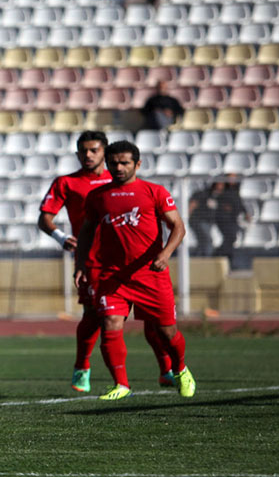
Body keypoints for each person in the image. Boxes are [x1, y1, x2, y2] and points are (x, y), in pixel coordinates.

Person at [38, 131, 173, 394]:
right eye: (83, 151)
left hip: (134, 261)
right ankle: (83, 367)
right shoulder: (66, 182)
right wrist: (62, 237)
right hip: (96, 262)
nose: (88, 155)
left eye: (94, 150)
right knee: (94, 316)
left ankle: (166, 369)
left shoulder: (122, 181)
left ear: (105, 152)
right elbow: (44, 219)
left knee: (154, 322)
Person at [75, 141, 196, 401]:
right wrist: (82, 264)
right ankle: (121, 384)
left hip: (150, 274)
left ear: (137, 164)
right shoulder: (98, 197)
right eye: (113, 163)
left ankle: (181, 369)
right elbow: (86, 231)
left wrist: (165, 254)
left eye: (124, 163)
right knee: (110, 323)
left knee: (167, 332)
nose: (118, 168)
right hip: (112, 275)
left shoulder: (155, 192)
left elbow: (178, 227)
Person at [188, 175, 250, 259]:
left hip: (209, 222)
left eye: (222, 184)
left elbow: (235, 205)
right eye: (218, 184)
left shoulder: (223, 196)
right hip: (199, 220)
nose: (220, 186)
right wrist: (187, 214)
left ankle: (201, 260)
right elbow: (193, 203)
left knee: (204, 243)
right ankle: (206, 261)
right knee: (207, 242)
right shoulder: (205, 193)